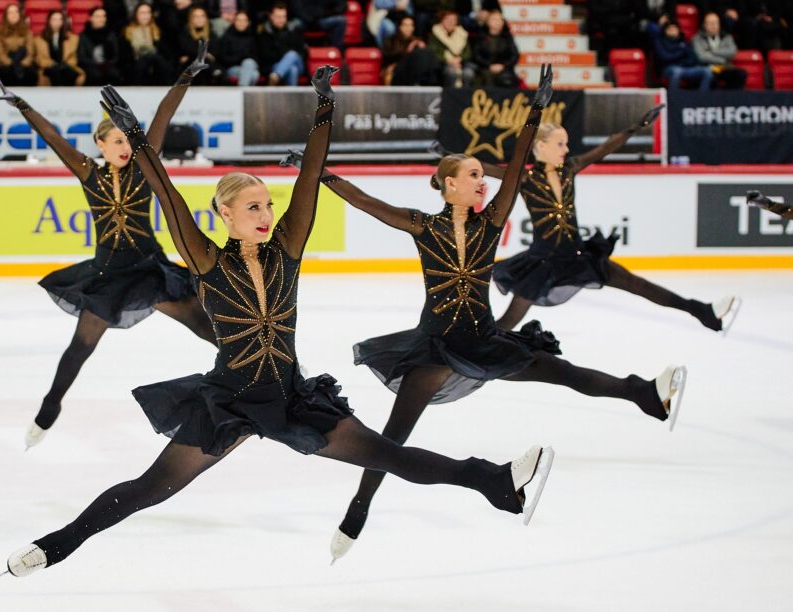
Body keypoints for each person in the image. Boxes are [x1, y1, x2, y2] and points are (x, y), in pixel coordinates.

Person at [4, 65, 555, 577]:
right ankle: (56, 545)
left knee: (394, 457)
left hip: (292, 397)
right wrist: (142, 142)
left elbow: (311, 178)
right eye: (253, 209)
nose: (266, 216)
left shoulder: (288, 247)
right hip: (231, 400)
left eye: (268, 205)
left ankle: (498, 483)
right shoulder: (205, 260)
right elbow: (169, 197)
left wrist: (324, 109)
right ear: (224, 215)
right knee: (153, 487)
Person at [283, 67, 687, 564]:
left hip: (484, 338)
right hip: (433, 346)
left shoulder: (491, 223)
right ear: (448, 184)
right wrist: (318, 173)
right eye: (473, 176)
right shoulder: (422, 225)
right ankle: (358, 508)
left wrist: (535, 111)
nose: (482, 183)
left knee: (563, 372)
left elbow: (516, 171)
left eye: (481, 176)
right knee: (392, 437)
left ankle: (644, 394)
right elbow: (366, 202)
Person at [0, 43, 217, 449]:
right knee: (80, 347)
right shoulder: (88, 174)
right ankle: (49, 409)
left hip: (150, 270)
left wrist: (186, 76)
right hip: (108, 274)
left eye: (125, 139)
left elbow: (163, 117)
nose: (124, 145)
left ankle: (269, 367)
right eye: (114, 140)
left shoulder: (145, 165)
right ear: (99, 145)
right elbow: (53, 138)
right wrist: (23, 105)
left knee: (203, 325)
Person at [481, 107, 741, 335]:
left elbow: (604, 149)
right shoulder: (525, 180)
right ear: (541, 146)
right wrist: (446, 155)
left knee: (636, 284)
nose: (567, 149)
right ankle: (473, 350)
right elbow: (485, 168)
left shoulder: (569, 169)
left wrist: (635, 128)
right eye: (560, 144)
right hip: (543, 263)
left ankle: (703, 312)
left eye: (566, 144)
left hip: (579, 256)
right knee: (508, 322)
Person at [648, 18, 713, 90]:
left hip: (685, 67)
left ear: (679, 30)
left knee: (707, 71)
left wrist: (680, 60)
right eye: (670, 28)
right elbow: (664, 57)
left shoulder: (684, 41)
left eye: (675, 28)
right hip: (667, 69)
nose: (672, 30)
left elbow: (693, 59)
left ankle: (702, 98)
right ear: (665, 30)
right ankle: (674, 98)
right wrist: (681, 52)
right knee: (677, 72)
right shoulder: (660, 41)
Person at [692, 11, 747, 89]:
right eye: (711, 23)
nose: (714, 26)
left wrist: (712, 51)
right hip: (707, 67)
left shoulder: (726, 36)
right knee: (709, 75)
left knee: (740, 74)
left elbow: (732, 52)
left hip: (725, 67)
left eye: (716, 23)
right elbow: (701, 56)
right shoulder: (697, 38)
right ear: (704, 25)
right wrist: (722, 60)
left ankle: (733, 98)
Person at [257, 2, 306, 86]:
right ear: (271, 16)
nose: (281, 20)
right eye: (278, 17)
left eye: (284, 16)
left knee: (292, 55)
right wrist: (285, 55)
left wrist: (285, 54)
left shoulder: (293, 30)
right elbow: (266, 56)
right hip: (275, 65)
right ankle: (291, 97)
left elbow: (303, 52)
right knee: (292, 70)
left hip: (298, 63)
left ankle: (276, 76)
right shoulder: (265, 33)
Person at [381, 14, 438, 86]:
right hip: (397, 72)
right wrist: (408, 51)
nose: (409, 28)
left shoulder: (416, 41)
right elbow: (388, 57)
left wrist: (423, 48)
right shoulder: (391, 40)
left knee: (428, 53)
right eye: (406, 25)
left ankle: (429, 84)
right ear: (400, 27)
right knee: (418, 55)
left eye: (411, 25)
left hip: (414, 72)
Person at [124, 2, 172, 85]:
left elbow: (166, 53)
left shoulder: (158, 31)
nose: (145, 16)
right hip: (136, 65)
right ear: (136, 14)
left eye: (148, 12)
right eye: (142, 13)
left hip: (156, 65)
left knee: (160, 62)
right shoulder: (127, 32)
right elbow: (125, 56)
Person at [34, 10, 85, 86]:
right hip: (49, 67)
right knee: (55, 71)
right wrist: (53, 64)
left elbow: (74, 57)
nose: (57, 22)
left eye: (60, 19)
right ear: (49, 21)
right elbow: (39, 58)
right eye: (54, 19)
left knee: (67, 71)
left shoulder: (73, 38)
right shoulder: (39, 39)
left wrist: (64, 65)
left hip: (67, 67)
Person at [472, 9, 519, 88]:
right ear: (488, 22)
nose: (498, 22)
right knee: (486, 79)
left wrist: (503, 65)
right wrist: (489, 65)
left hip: (504, 69)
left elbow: (515, 55)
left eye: (500, 19)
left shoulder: (507, 37)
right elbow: (476, 55)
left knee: (507, 80)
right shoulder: (481, 36)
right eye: (494, 19)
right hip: (484, 68)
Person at [427, 10, 473, 88]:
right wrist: (448, 60)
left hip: (461, 63)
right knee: (451, 73)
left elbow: (468, 52)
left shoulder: (462, 34)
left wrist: (460, 58)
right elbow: (433, 52)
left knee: (468, 73)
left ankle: (465, 97)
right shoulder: (435, 34)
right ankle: (450, 98)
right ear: (442, 21)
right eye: (448, 20)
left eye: (453, 20)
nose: (451, 22)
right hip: (442, 64)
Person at [78, 7, 123, 85]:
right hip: (90, 66)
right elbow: (82, 57)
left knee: (114, 74)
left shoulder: (111, 35)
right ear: (91, 18)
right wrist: (95, 65)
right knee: (95, 75)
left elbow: (116, 55)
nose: (101, 19)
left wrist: (107, 64)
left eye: (103, 16)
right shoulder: (84, 35)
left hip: (108, 65)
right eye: (98, 16)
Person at [0, 3, 36, 86]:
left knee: (30, 74)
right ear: (6, 16)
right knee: (6, 73)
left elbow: (30, 53)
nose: (14, 15)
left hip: (23, 63)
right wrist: (12, 64)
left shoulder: (27, 32)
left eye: (16, 12)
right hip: (6, 64)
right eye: (10, 12)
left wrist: (22, 64)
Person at [215, 10, 261, 86]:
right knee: (254, 75)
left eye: (244, 20)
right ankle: (244, 92)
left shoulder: (253, 37)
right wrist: (242, 57)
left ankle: (241, 90)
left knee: (248, 63)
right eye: (239, 20)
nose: (241, 23)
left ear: (248, 23)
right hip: (232, 68)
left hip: (250, 66)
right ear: (234, 22)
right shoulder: (227, 37)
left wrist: (245, 59)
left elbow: (257, 58)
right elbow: (223, 58)